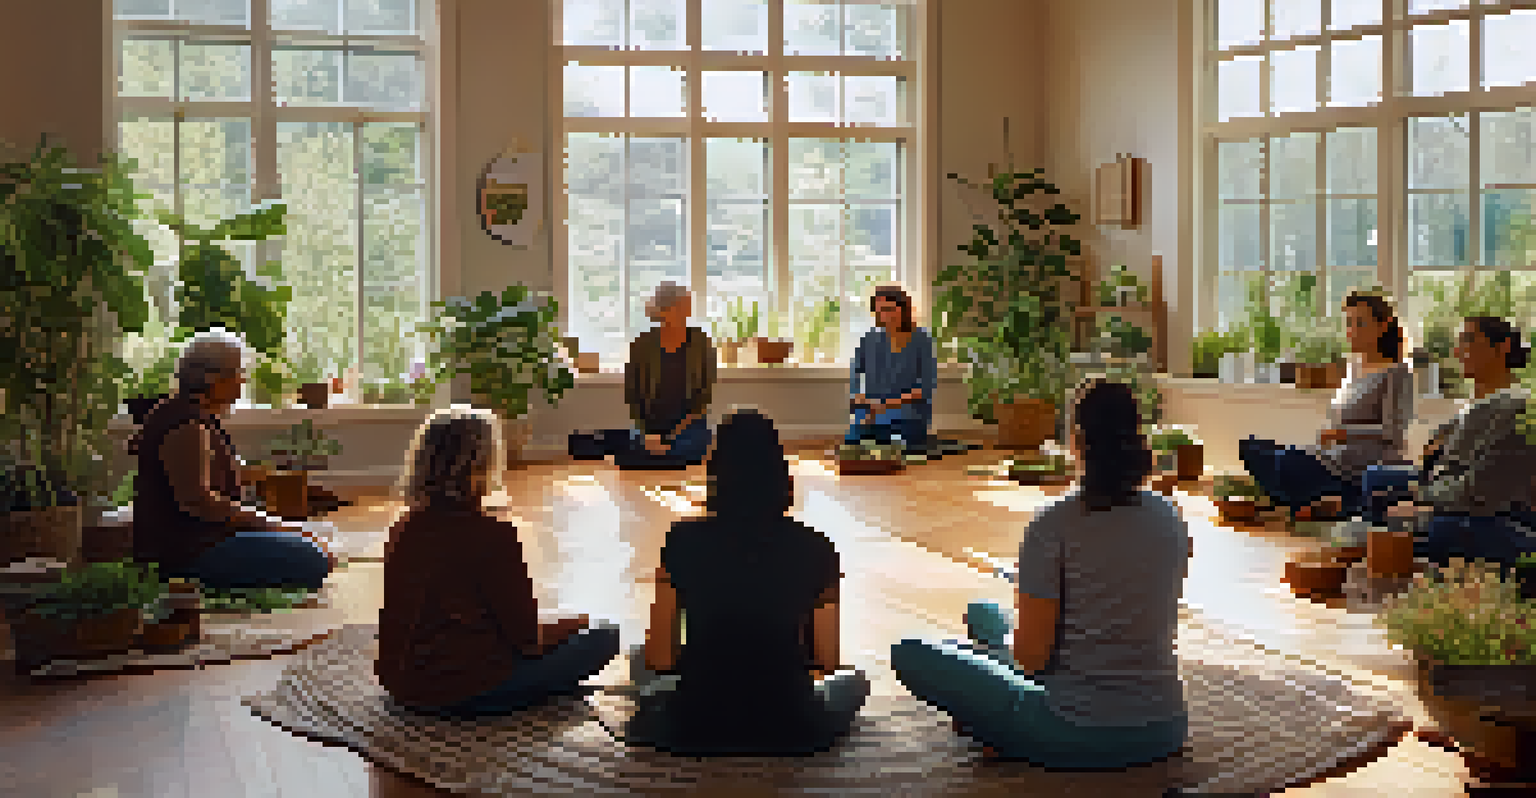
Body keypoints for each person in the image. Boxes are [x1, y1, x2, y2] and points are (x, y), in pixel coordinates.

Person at [890, 378, 1191, 769]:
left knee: (911, 652)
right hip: (1165, 728)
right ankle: (991, 657)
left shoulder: (1054, 523)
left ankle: (999, 724)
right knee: (983, 615)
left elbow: (1032, 660)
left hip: (1073, 730)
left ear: (1077, 441)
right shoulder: (1171, 516)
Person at [622, 408, 871, 755]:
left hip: (695, 722)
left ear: (716, 473)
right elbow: (827, 660)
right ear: (781, 471)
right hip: (793, 724)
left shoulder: (682, 540)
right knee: (855, 680)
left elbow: (661, 658)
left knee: (637, 658)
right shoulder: (816, 546)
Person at [377, 405, 621, 716]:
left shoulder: (404, 526)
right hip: (460, 690)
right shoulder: (493, 534)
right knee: (604, 634)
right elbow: (528, 641)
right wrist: (580, 622)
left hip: (400, 684)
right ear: (482, 465)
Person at [129, 328, 335, 591]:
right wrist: (271, 524)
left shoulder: (191, 414)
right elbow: (199, 502)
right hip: (188, 553)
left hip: (208, 538)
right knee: (315, 560)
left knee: (313, 540)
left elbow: (216, 471)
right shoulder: (187, 425)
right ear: (214, 379)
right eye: (239, 374)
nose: (242, 382)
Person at [1238, 291, 1414, 521]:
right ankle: (1321, 504)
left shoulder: (1398, 373)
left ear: (1383, 326)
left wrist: (1343, 433)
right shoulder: (1353, 368)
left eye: (1360, 323)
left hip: (1362, 463)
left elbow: (1394, 434)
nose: (1352, 331)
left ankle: (1329, 502)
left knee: (1288, 461)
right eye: (1349, 323)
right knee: (1252, 448)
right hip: (1332, 455)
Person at [1377, 317, 1536, 568]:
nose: (1457, 352)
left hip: (1498, 511)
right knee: (1377, 479)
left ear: (1504, 347)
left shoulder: (1515, 407)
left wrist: (1422, 499)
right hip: (1455, 491)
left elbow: (1482, 490)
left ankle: (1400, 555)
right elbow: (1442, 456)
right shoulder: (1477, 403)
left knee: (1441, 529)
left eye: (1469, 340)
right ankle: (1390, 551)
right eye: (1458, 342)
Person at [567, 282, 717, 469]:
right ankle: (647, 450)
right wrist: (649, 434)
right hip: (651, 422)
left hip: (688, 424)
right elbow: (633, 393)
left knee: (696, 447)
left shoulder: (701, 342)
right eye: (683, 306)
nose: (688, 312)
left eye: (688, 307)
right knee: (651, 447)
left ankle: (638, 451)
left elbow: (704, 396)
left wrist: (672, 435)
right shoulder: (642, 344)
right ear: (666, 310)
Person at [847, 285, 938, 451]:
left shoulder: (922, 340)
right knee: (854, 443)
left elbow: (926, 387)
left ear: (903, 309)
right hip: (872, 409)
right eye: (880, 310)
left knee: (892, 444)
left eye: (889, 309)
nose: (884, 315)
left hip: (908, 410)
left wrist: (887, 404)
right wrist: (860, 398)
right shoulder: (869, 339)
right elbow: (856, 375)